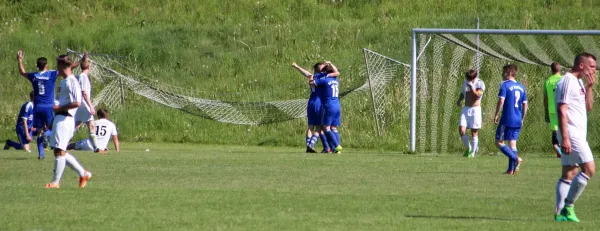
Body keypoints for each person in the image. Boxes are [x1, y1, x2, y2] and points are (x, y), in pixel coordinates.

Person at [554, 52, 596, 222]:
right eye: (592, 66)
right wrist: (565, 138)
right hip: (571, 133)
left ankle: (559, 214)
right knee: (589, 169)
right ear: (581, 65)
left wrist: (589, 88)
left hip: (577, 133)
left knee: (569, 173)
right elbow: (562, 110)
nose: (594, 70)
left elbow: (587, 108)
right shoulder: (567, 80)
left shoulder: (579, 81)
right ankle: (568, 207)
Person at [17, 50, 83, 159]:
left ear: (37, 66)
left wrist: (19, 60)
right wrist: (80, 61)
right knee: (52, 129)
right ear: (46, 65)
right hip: (49, 107)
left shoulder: (34, 76)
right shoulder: (51, 74)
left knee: (39, 131)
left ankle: (41, 155)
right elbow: (68, 68)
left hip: (37, 107)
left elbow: (23, 72)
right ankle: (47, 138)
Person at [45, 54, 92, 189]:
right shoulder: (64, 81)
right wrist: (54, 118)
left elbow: (77, 102)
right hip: (60, 117)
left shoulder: (72, 81)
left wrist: (60, 108)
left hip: (66, 118)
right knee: (60, 151)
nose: (57, 69)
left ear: (62, 66)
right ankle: (83, 173)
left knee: (60, 151)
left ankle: (55, 182)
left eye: (58, 66)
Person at [292, 61, 339, 153]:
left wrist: (296, 66)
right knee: (320, 127)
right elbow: (336, 72)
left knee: (310, 127)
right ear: (322, 69)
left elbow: (306, 73)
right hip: (319, 103)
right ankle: (315, 145)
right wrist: (330, 64)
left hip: (311, 103)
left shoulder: (313, 76)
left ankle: (310, 146)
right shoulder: (324, 76)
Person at [493, 64, 528, 174]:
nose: (502, 75)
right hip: (518, 119)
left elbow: (501, 101)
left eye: (504, 72)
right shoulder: (521, 87)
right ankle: (511, 170)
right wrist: (522, 118)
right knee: (512, 143)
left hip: (507, 118)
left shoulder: (504, 85)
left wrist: (496, 114)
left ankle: (516, 158)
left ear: (508, 73)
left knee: (499, 142)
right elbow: (525, 105)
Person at [309, 64, 342, 154]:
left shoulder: (325, 80)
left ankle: (336, 146)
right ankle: (336, 149)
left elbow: (312, 84)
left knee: (326, 128)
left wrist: (311, 78)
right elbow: (337, 72)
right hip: (337, 105)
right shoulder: (336, 80)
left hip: (329, 106)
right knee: (334, 127)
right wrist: (331, 64)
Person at [74, 59, 104, 153]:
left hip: (80, 105)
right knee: (91, 126)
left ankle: (58, 143)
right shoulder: (83, 77)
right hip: (84, 105)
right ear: (88, 67)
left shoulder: (82, 76)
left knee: (75, 126)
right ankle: (96, 148)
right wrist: (90, 105)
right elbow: (84, 93)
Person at [456, 69, 485, 157]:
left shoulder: (480, 83)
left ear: (475, 77)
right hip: (466, 109)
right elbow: (462, 93)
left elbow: (478, 96)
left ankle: (472, 154)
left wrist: (472, 87)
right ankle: (469, 148)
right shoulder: (465, 82)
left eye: (470, 79)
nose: (468, 80)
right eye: (467, 78)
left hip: (475, 110)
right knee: (461, 130)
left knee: (474, 132)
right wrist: (459, 100)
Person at [544, 62, 563, 158]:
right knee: (564, 129)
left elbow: (545, 98)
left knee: (555, 130)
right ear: (560, 70)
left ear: (551, 70)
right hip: (563, 108)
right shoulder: (563, 80)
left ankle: (557, 148)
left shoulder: (548, 81)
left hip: (552, 109)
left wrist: (546, 111)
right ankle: (563, 150)